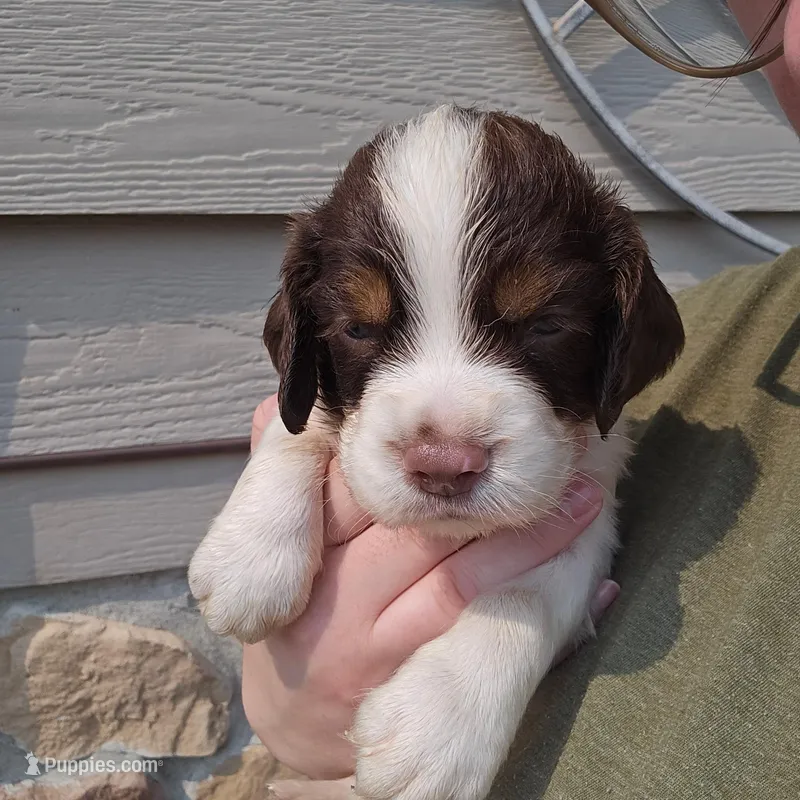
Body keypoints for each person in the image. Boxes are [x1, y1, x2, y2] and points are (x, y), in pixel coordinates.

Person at [242, 1, 800, 796]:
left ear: (618, 335)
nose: (445, 448)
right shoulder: (731, 332)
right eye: (362, 330)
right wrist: (281, 481)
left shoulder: (665, 401)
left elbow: (574, 552)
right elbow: (296, 422)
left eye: (544, 327)